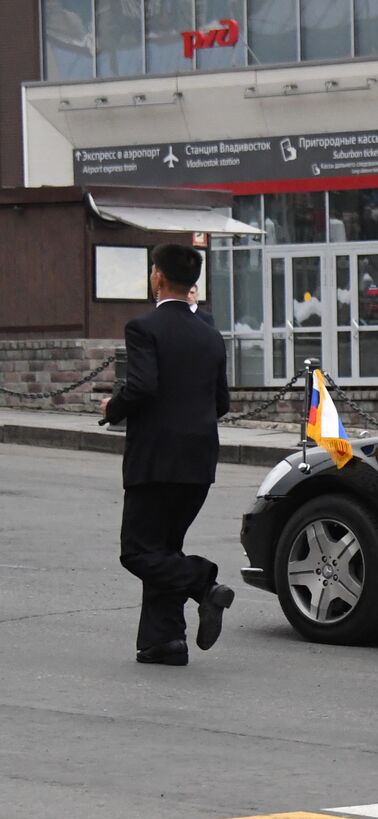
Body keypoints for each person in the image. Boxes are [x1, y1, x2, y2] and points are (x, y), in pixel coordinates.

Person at [100, 244, 234, 667]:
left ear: (157, 277)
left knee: (138, 552)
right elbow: (222, 402)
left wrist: (112, 408)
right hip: (198, 461)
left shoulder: (144, 328)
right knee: (164, 549)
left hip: (156, 458)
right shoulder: (210, 335)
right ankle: (165, 642)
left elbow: (141, 386)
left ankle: (203, 582)